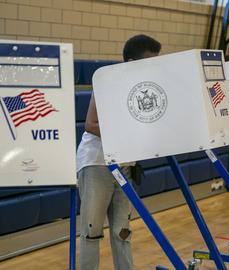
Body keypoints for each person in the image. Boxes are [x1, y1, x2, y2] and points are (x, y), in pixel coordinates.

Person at [76, 34, 161, 270]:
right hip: (96, 164)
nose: (153, 67)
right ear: (131, 61)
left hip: (124, 166)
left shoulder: (146, 88)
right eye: (149, 61)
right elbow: (90, 124)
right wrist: (126, 134)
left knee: (123, 231)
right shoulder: (107, 82)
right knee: (92, 233)